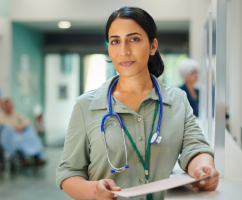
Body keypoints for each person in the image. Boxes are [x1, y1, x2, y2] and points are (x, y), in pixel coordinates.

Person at [56, 6, 219, 200]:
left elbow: (196, 149)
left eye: (134, 39)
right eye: (115, 41)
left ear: (153, 46)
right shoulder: (86, 106)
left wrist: (203, 170)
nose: (124, 51)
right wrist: (94, 190)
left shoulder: (177, 100)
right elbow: (68, 173)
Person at [0, 99, 45, 166]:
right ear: (5, 106)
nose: (10, 108)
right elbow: (2, 123)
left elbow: (27, 120)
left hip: (19, 133)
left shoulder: (15, 114)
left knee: (30, 131)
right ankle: (24, 158)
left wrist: (21, 126)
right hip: (9, 136)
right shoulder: (0, 114)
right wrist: (14, 126)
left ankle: (37, 156)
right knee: (19, 140)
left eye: (11, 106)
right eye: (8, 106)